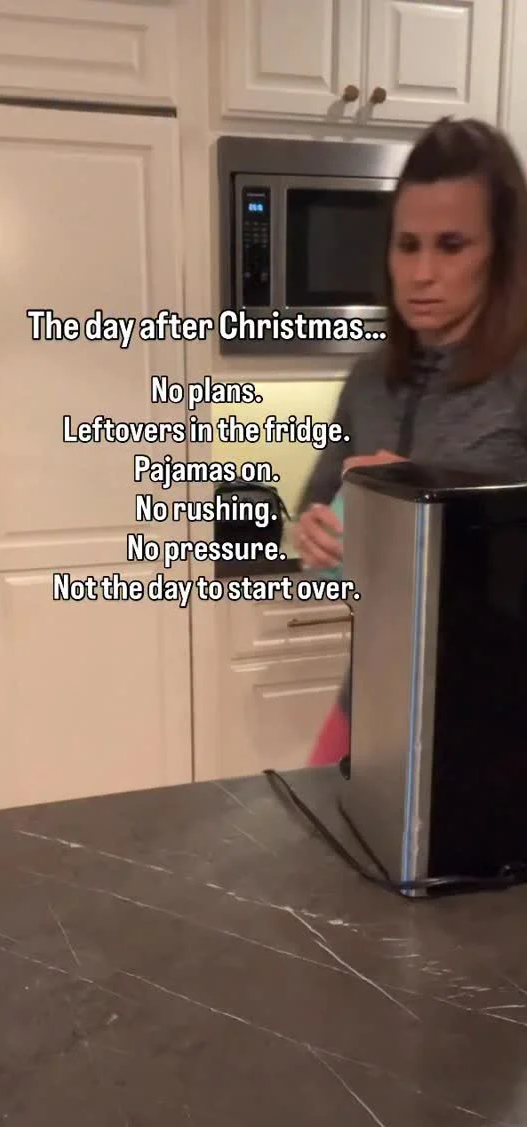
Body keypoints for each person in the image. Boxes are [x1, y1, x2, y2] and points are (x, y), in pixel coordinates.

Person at [293, 116, 527, 767]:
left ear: (501, 252)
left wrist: (427, 495)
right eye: (408, 245)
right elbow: (319, 500)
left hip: (496, 721)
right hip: (373, 698)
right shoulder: (369, 379)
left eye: (452, 246)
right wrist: (314, 531)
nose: (422, 273)